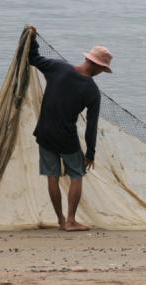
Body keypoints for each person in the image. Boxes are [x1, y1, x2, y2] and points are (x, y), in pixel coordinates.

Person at [27, 26, 112, 231]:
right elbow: (92, 125)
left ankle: (60, 220)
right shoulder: (92, 91)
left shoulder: (58, 68)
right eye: (102, 69)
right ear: (97, 66)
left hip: (44, 133)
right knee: (76, 175)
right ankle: (71, 221)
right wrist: (90, 152)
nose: (101, 72)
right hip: (66, 138)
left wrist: (32, 38)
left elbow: (33, 57)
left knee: (52, 176)